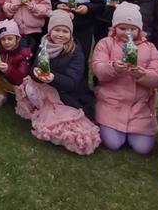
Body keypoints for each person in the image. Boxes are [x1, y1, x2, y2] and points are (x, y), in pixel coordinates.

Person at [15, 10, 100, 155]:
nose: (60, 34)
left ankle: (54, 117)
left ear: (70, 33)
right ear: (50, 31)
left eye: (65, 31)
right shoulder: (44, 45)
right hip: (48, 88)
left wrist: (53, 78)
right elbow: (34, 68)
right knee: (28, 87)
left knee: (66, 131)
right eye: (57, 30)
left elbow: (72, 83)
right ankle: (44, 111)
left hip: (68, 95)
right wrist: (37, 74)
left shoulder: (76, 52)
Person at [92, 2, 158, 155]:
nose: (128, 33)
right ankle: (110, 126)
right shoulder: (105, 44)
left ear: (139, 29)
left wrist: (142, 75)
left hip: (140, 106)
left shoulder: (150, 48)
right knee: (113, 144)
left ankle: (135, 131)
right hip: (111, 102)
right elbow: (98, 70)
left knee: (143, 149)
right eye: (123, 28)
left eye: (133, 29)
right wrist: (114, 68)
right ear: (114, 28)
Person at [54, 0, 105, 82]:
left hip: (84, 28)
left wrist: (87, 8)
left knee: (81, 57)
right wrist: (57, 5)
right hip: (63, 28)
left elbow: (99, 4)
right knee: (62, 57)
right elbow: (51, 1)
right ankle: (63, 85)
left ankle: (82, 86)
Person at [0, 19, 32, 109]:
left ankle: (21, 99)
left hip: (19, 85)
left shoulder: (24, 53)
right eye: (3, 39)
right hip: (5, 80)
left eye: (10, 39)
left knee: (25, 92)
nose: (6, 42)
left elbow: (21, 79)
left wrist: (8, 70)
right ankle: (1, 94)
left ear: (17, 39)